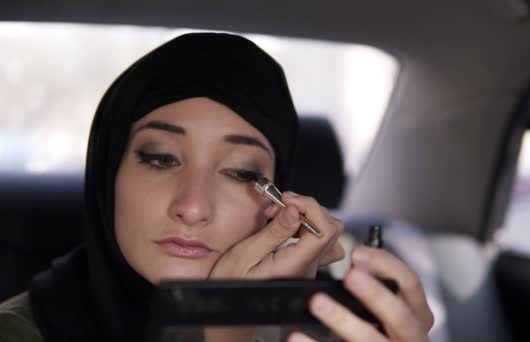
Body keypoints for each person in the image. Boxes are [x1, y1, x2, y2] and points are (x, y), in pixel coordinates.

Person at [0, 33, 434, 342]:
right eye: (160, 159)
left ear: (279, 202)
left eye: (243, 173)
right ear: (107, 174)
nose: (192, 207)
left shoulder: (330, 331)